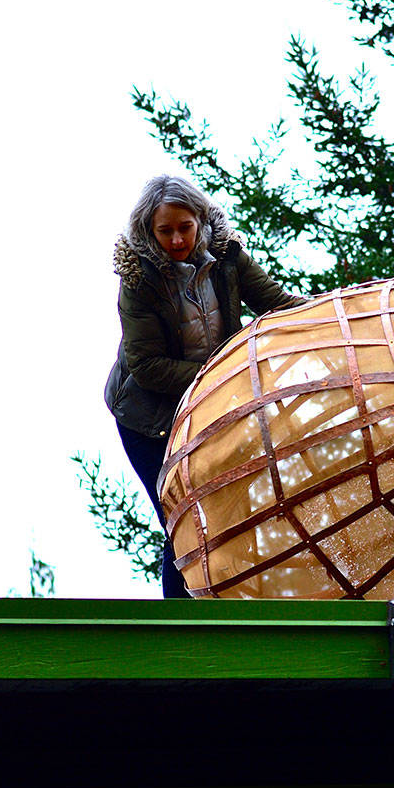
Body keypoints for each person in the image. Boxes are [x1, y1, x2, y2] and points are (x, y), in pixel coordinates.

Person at [104, 175, 305, 597]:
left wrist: (329, 308)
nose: (177, 239)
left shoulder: (226, 257)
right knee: (183, 522)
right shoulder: (138, 280)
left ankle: (233, 611)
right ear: (148, 230)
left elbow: (275, 302)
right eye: (165, 231)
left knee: (231, 512)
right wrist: (217, 377)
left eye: (185, 227)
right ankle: (182, 626)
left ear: (199, 221)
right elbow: (147, 367)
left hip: (211, 405)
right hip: (150, 418)